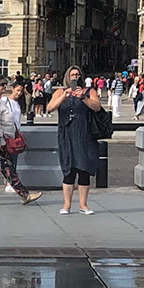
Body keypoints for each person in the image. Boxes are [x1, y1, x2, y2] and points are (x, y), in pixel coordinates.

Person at [0, 75, 42, 204]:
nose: (4, 87)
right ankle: (24, 195)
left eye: (5, 84)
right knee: (8, 168)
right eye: (2, 85)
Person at [52, 70, 101, 215]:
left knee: (84, 169)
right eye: (72, 75)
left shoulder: (88, 91)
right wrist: (63, 96)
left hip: (85, 135)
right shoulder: (61, 91)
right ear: (67, 76)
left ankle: (83, 205)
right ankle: (66, 205)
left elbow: (97, 107)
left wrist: (83, 98)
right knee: (69, 170)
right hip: (67, 134)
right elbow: (50, 107)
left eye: (77, 75)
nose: (75, 77)